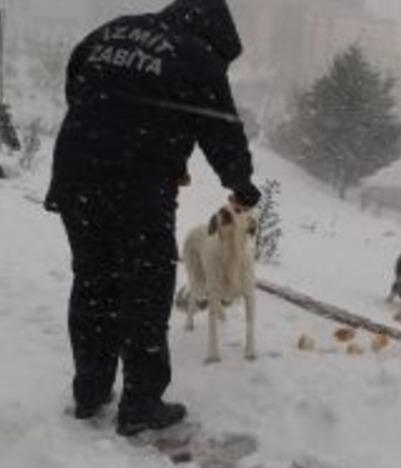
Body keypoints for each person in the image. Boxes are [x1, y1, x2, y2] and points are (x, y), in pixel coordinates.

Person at [44, 0, 261, 437]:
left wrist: (124, 137)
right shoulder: (198, 57)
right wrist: (243, 186)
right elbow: (221, 131)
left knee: (93, 281)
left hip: (76, 173)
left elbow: (79, 88)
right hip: (136, 187)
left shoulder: (115, 29)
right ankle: (141, 405)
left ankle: (90, 391)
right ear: (215, 38)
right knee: (145, 289)